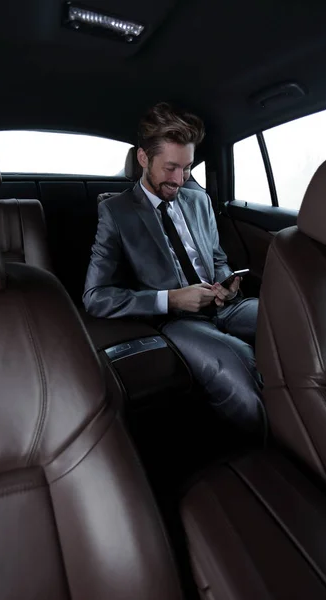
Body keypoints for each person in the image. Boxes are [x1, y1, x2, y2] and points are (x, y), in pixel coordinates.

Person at [83, 102, 265, 436]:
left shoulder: (200, 200)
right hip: (175, 321)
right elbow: (95, 297)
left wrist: (226, 283)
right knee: (237, 362)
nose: (180, 179)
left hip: (224, 306)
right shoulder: (116, 212)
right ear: (143, 158)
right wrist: (171, 300)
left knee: (287, 323)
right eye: (170, 168)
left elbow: (217, 257)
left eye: (188, 168)